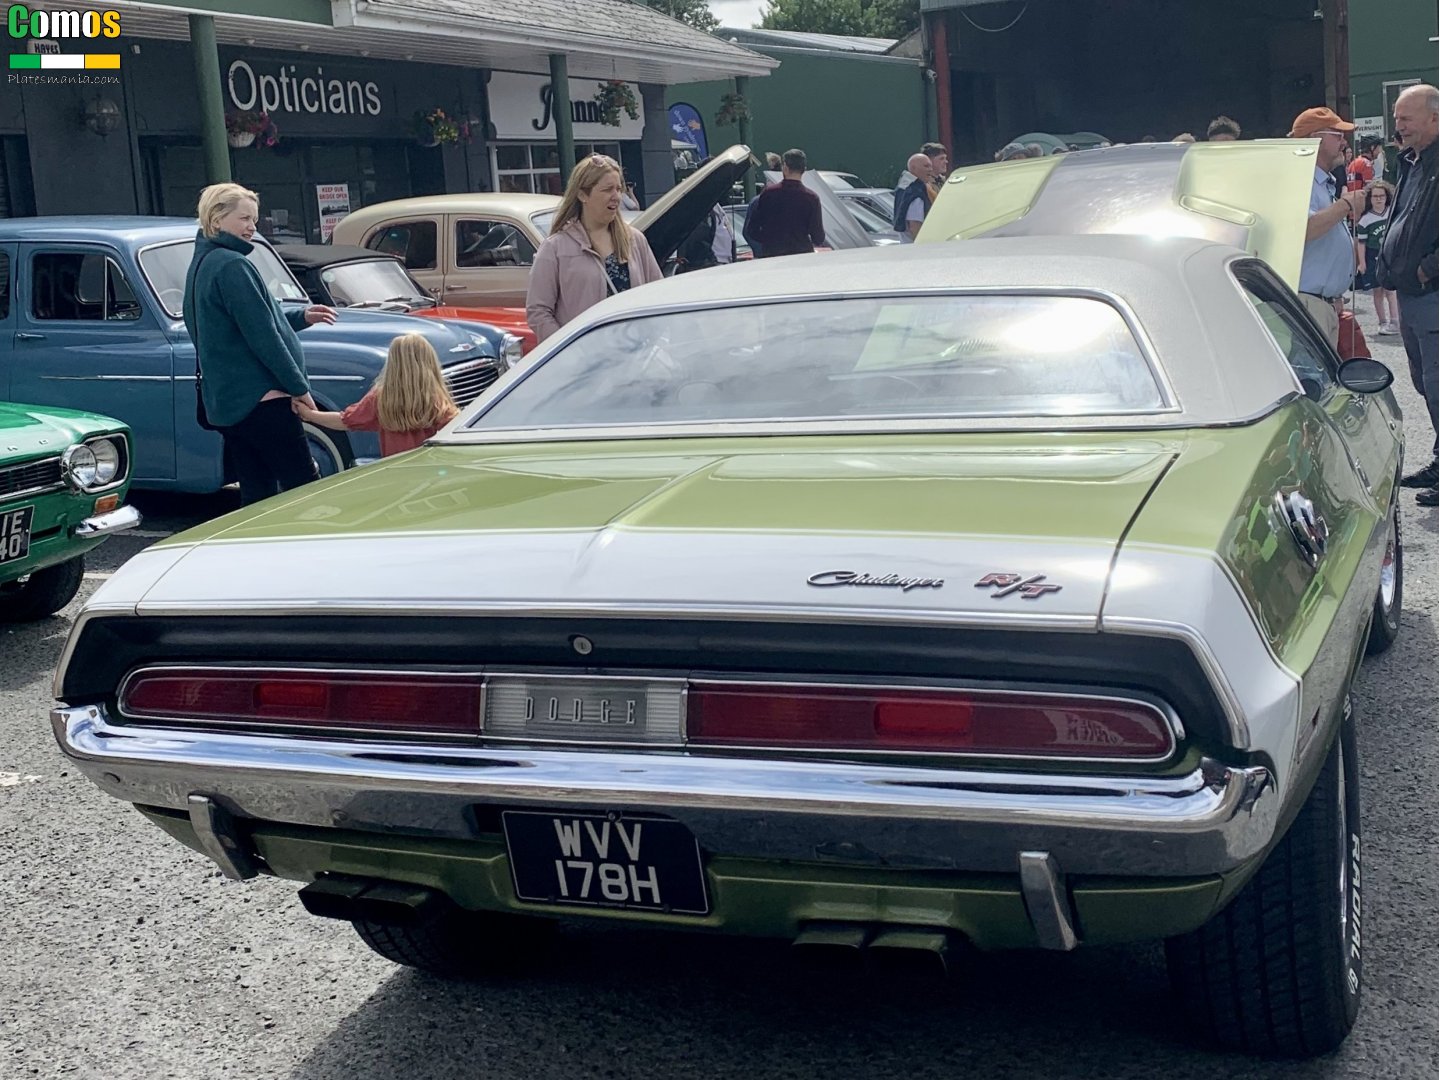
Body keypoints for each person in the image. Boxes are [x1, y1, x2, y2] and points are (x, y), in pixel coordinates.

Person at [183, 182, 337, 507]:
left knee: (257, 495)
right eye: (244, 218)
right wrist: (299, 387)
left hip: (230, 405)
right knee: (305, 488)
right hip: (263, 401)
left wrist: (301, 316)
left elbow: (244, 322)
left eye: (254, 219)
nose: (252, 226)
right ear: (216, 218)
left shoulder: (202, 263)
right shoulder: (232, 265)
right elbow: (263, 335)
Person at [1377, 84, 1439, 506]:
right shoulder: (1412, 163)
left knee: (1438, 384)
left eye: (1406, 118)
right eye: (1397, 118)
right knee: (1425, 382)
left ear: (1435, 119)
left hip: (1432, 291)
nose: (1398, 126)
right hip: (1412, 295)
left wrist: (1426, 268)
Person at [525, 153, 662, 343]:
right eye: (607, 190)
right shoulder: (555, 248)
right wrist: (570, 348)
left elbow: (657, 296)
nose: (616, 197)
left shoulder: (635, 240)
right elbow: (538, 311)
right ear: (582, 194)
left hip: (635, 354)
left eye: (619, 189)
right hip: (586, 358)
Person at [294, 333, 459, 458]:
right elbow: (455, 427)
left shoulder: (381, 397)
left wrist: (310, 414)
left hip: (394, 471)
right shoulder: (436, 399)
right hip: (428, 468)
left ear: (393, 363)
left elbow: (344, 421)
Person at [1287, 107, 1367, 348]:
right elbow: (1302, 230)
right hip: (1309, 303)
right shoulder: (1299, 180)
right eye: (1338, 135)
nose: (1344, 142)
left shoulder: (1320, 182)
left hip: (1321, 303)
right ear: (1315, 139)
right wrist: (1345, 205)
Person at [745, 148, 825, 259]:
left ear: (785, 168)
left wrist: (769, 240)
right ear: (804, 170)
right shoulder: (812, 198)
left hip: (772, 255)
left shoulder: (768, 194)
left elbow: (752, 230)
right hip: (802, 256)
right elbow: (818, 237)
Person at [1355, 181, 1400, 334]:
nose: (1379, 199)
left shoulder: (1392, 214)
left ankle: (1395, 320)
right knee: (1377, 290)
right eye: (1375, 196)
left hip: (1389, 254)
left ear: (1387, 197)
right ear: (1370, 199)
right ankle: (1382, 321)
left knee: (1390, 290)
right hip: (1372, 255)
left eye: (1382, 196)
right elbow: (1361, 243)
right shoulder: (1365, 220)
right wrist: (1362, 263)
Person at [893, 152, 934, 240]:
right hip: (915, 245)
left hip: (905, 243)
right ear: (913, 168)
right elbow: (915, 226)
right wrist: (921, 244)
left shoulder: (903, 187)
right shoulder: (915, 193)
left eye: (931, 166)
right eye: (926, 166)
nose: (930, 169)